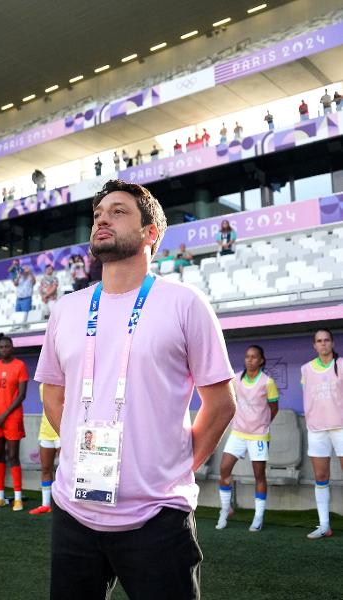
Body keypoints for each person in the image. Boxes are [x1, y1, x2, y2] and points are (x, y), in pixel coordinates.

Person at [35, 178, 235, 599]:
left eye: (118, 211)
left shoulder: (185, 304)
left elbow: (219, 404)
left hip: (157, 516)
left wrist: (175, 466)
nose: (102, 217)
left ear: (150, 233)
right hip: (74, 511)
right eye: (98, 213)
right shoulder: (68, 309)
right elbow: (53, 391)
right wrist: (77, 436)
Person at [216, 345, 279, 532]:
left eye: (254, 357)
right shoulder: (236, 379)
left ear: (261, 360)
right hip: (238, 433)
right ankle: (225, 510)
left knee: (259, 476)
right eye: (247, 356)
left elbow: (274, 408)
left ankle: (258, 518)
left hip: (258, 435)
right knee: (224, 469)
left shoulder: (268, 382)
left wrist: (262, 424)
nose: (250, 360)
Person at [301, 329, 343, 539]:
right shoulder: (306, 369)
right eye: (319, 341)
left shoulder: (342, 365)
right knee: (320, 476)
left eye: (327, 340)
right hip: (317, 429)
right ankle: (324, 525)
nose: (323, 344)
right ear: (314, 345)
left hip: (341, 427)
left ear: (332, 343)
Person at [0, 334, 29, 511]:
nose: (4, 349)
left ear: (12, 348)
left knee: (13, 456)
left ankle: (18, 498)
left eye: (7, 346)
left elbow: (22, 395)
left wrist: (4, 415)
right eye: (1, 347)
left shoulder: (20, 365)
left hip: (12, 417)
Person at [29, 383, 61, 515]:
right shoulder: (43, 384)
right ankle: (45, 505)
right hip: (45, 432)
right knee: (46, 468)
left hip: (61, 431)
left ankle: (63, 506)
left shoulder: (67, 381)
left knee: (64, 470)